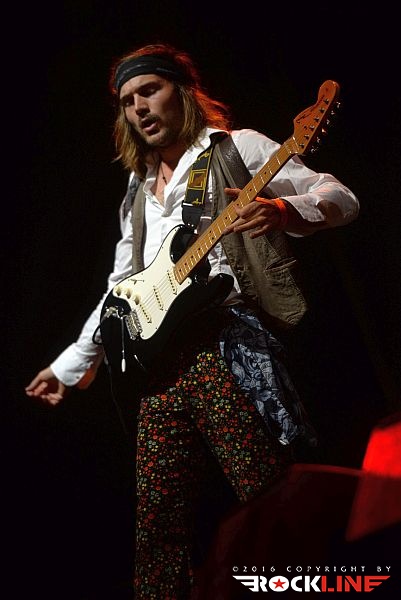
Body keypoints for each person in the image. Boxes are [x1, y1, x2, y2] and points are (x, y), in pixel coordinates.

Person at [25, 43, 359, 599]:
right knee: (158, 523)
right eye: (128, 101)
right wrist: (69, 367)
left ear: (181, 92)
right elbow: (120, 289)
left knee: (264, 486)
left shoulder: (238, 147)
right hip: (160, 370)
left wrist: (282, 210)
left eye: (149, 90)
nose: (139, 108)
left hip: (223, 346)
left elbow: (340, 196)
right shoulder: (138, 190)